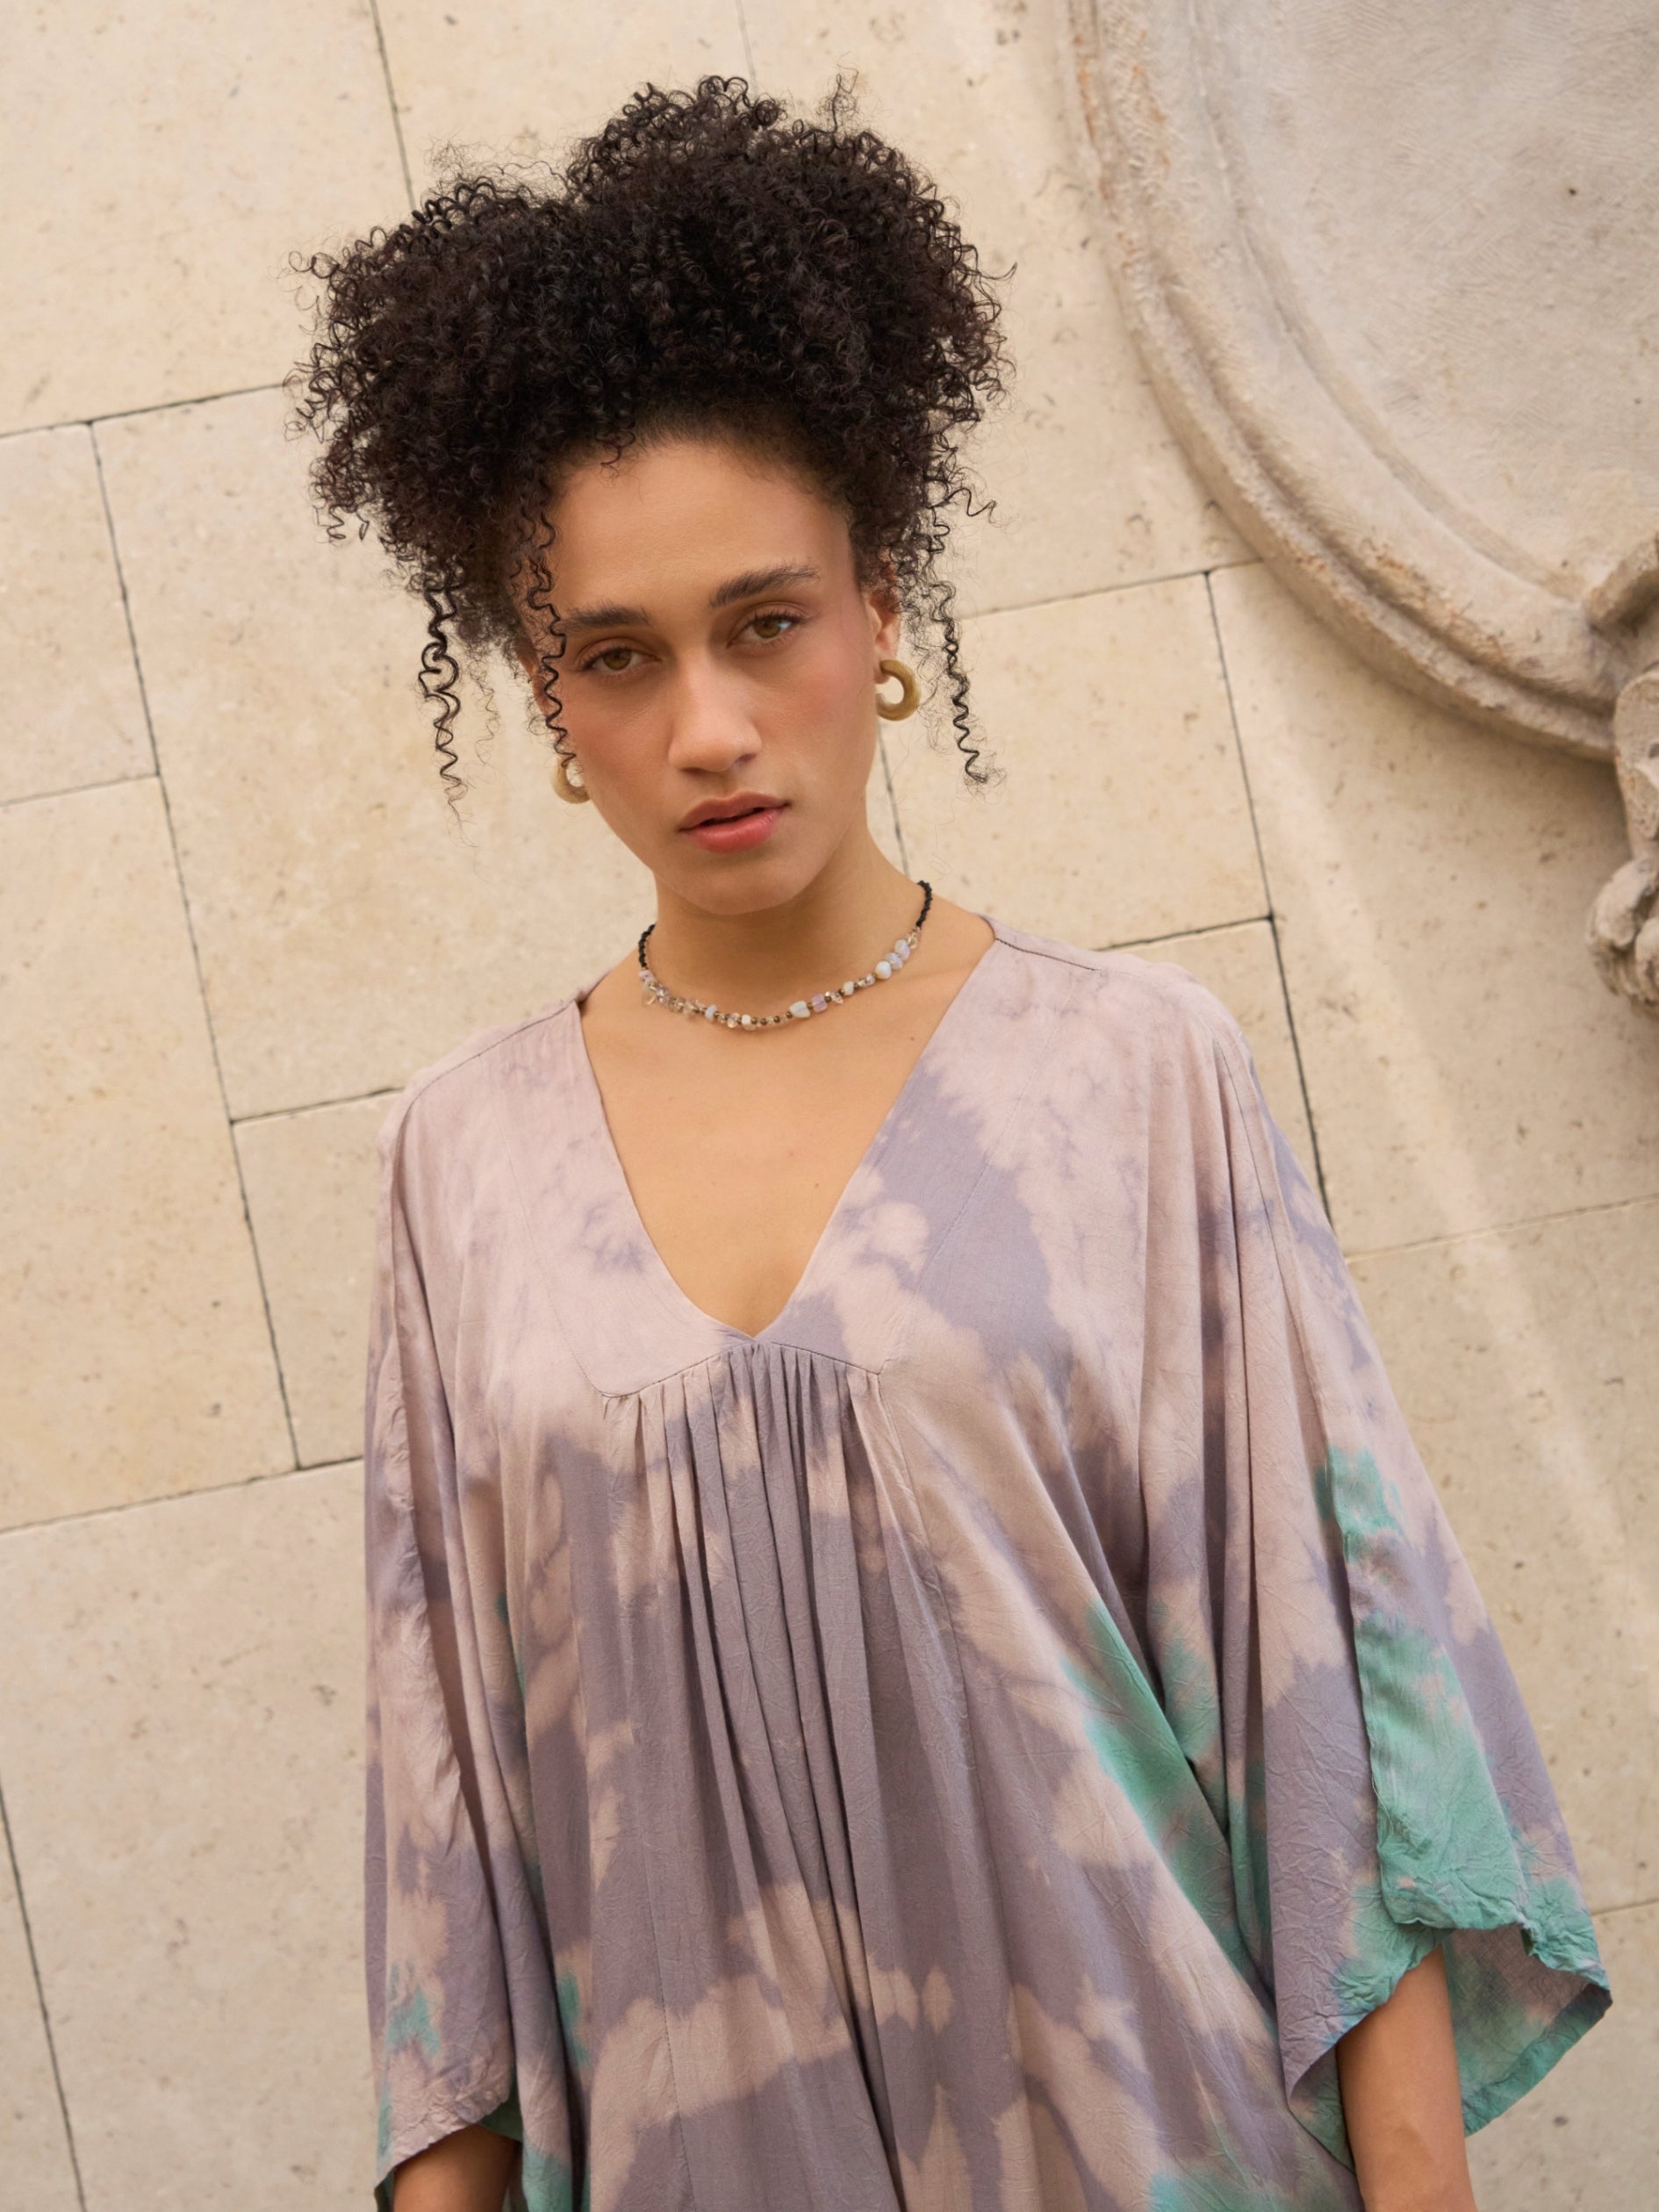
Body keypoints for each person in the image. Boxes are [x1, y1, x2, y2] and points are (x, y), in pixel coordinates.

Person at [294, 77, 1607, 2212]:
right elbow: (444, 1850)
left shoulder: (1136, 1077)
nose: (709, 725)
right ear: (547, 702)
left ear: (882, 608)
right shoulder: (461, 1166)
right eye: (619, 658)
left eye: (766, 621)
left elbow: (1342, 1746)